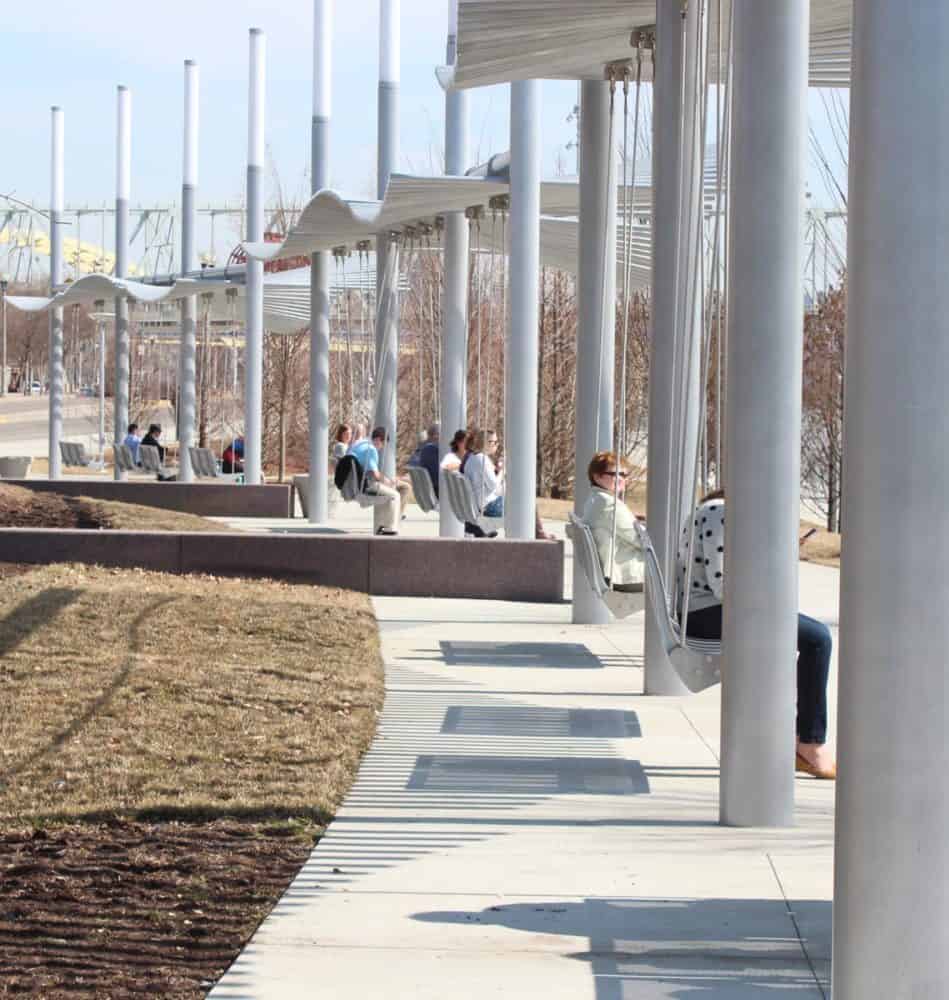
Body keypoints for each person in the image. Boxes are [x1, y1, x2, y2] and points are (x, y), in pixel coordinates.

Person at [677, 489, 836, 780]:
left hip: (710, 612)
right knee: (818, 639)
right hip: (711, 615)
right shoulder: (720, 512)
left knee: (811, 635)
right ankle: (810, 744)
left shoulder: (715, 510)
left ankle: (800, 741)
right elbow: (722, 583)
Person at [581, 451, 644, 591]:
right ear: (597, 476)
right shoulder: (609, 504)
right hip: (626, 575)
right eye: (616, 474)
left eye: (624, 475)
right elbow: (641, 541)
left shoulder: (595, 499)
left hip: (612, 572)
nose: (622, 479)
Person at [348, 426, 404, 536]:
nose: (381, 447)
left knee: (387, 494)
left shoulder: (360, 444)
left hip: (355, 484)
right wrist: (389, 482)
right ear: (378, 439)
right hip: (366, 485)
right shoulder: (371, 449)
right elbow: (374, 473)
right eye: (382, 444)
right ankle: (391, 528)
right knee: (395, 495)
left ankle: (381, 525)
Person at [464, 429, 504, 517]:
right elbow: (494, 486)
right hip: (489, 506)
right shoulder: (482, 460)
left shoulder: (472, 458)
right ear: (486, 442)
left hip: (480, 504)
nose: (497, 445)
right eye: (495, 442)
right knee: (525, 505)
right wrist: (502, 470)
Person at [416, 423, 441, 496]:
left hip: (429, 491)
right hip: (439, 491)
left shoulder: (423, 449)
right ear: (436, 435)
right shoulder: (433, 450)